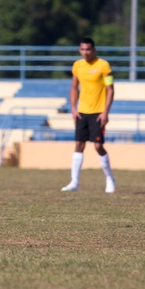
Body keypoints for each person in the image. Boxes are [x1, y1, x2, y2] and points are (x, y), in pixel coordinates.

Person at [61, 37, 117, 193]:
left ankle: (109, 178)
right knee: (79, 144)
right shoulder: (77, 66)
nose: (85, 52)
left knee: (98, 145)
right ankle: (75, 182)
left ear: (94, 50)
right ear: (79, 50)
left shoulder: (103, 65)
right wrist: (73, 108)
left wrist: (106, 112)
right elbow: (74, 87)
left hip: (98, 112)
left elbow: (110, 89)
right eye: (82, 49)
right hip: (82, 112)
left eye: (88, 49)